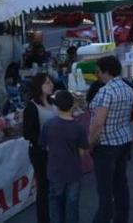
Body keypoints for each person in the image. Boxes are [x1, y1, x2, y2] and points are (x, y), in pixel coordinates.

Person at [89, 56, 133, 223]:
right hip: (123, 139)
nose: (97, 75)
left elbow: (98, 122)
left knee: (105, 190)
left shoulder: (106, 91)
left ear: (105, 71)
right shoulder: (127, 88)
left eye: (98, 71)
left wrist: (90, 143)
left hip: (106, 145)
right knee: (120, 184)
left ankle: (103, 218)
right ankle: (121, 219)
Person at [40, 90, 88, 223]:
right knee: (72, 205)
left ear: (56, 106)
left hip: (55, 171)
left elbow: (45, 146)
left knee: (55, 202)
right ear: (72, 105)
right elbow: (82, 152)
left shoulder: (49, 125)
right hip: (73, 172)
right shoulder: (78, 128)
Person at [23, 73, 57, 223]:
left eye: (51, 82)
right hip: (41, 152)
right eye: (47, 83)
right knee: (43, 188)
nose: (51, 85)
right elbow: (28, 133)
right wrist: (44, 143)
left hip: (56, 151)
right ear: (39, 86)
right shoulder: (31, 107)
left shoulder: (54, 102)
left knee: (56, 187)